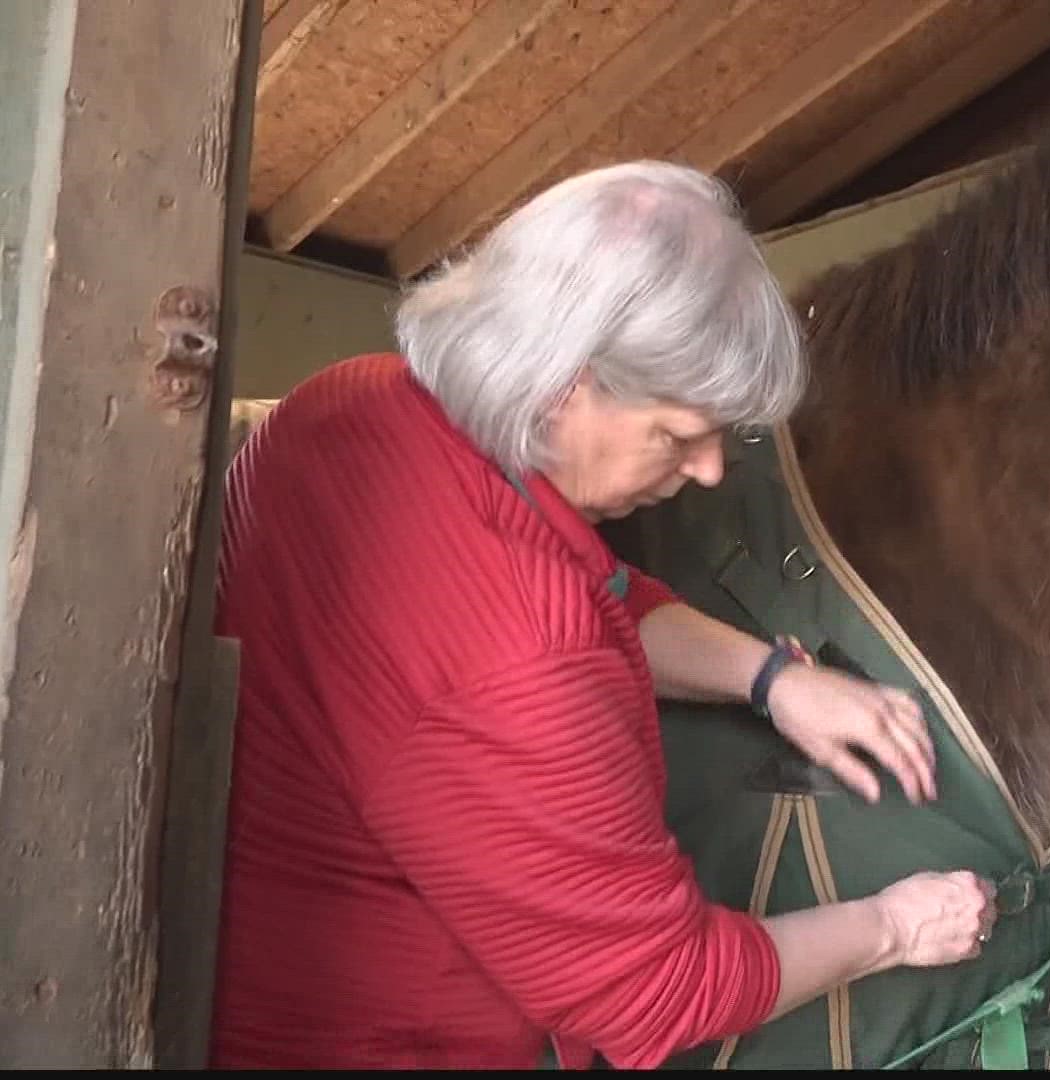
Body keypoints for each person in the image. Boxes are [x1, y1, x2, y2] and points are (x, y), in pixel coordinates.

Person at [208, 160, 996, 1069]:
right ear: (562, 385)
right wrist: (895, 925)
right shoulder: (524, 658)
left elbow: (599, 596)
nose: (703, 471)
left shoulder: (349, 403)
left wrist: (772, 677)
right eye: (676, 434)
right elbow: (660, 993)